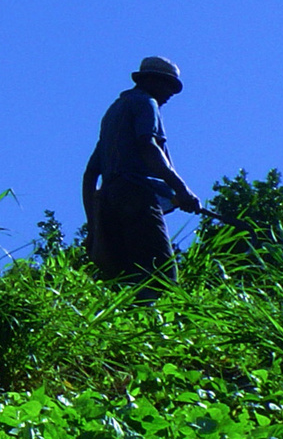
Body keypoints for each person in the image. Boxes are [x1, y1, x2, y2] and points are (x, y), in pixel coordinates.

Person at [82, 56, 201, 298]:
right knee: (162, 277)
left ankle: (129, 326)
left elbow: (90, 174)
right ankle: (157, 330)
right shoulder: (146, 103)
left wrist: (93, 226)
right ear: (150, 80)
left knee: (126, 277)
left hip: (109, 201)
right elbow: (148, 146)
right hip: (136, 195)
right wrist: (181, 189)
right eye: (167, 85)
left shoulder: (114, 112)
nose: (170, 93)